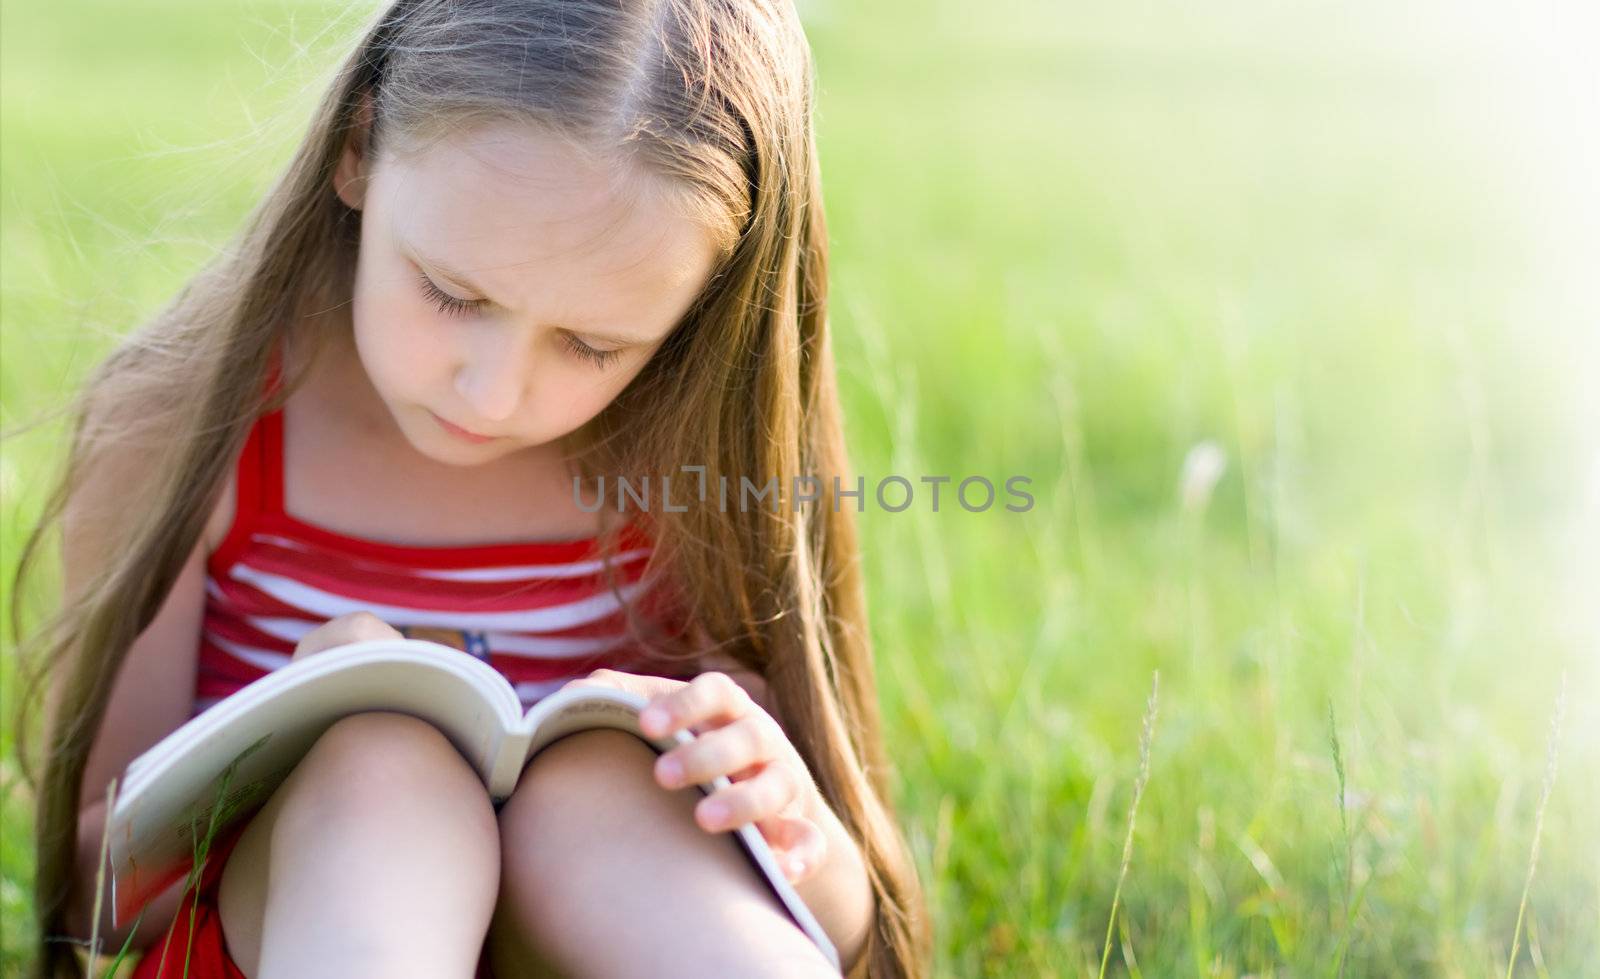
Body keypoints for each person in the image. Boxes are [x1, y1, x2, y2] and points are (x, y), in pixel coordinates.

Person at [7, 1, 932, 977]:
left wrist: (792, 827)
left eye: (592, 344)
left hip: (605, 921)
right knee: (384, 771)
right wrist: (292, 724)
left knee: (606, 793)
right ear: (360, 148)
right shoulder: (182, 428)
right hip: (302, 929)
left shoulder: (686, 457)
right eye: (452, 294)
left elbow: (848, 925)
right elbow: (92, 898)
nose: (493, 393)